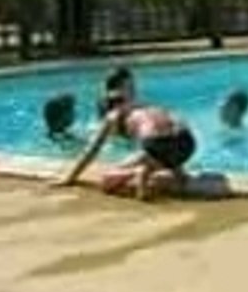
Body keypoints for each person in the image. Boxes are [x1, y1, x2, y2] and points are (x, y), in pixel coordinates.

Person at [55, 80, 197, 201]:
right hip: (187, 143)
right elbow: (170, 134)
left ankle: (138, 172)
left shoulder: (113, 115)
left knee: (107, 181)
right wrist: (178, 168)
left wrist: (70, 178)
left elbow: (92, 150)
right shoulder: (148, 107)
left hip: (158, 144)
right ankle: (169, 170)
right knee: (160, 159)